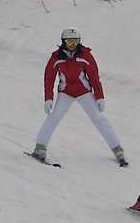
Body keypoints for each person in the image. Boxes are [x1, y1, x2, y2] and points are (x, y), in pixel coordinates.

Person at [32, 28, 126, 166]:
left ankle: (117, 148)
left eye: (75, 41)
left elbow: (94, 77)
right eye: (70, 41)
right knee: (54, 117)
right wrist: (49, 98)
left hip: (84, 92)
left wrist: (99, 97)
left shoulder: (85, 56)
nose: (73, 44)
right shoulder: (57, 58)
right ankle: (40, 147)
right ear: (63, 41)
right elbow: (49, 78)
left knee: (99, 119)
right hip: (66, 92)